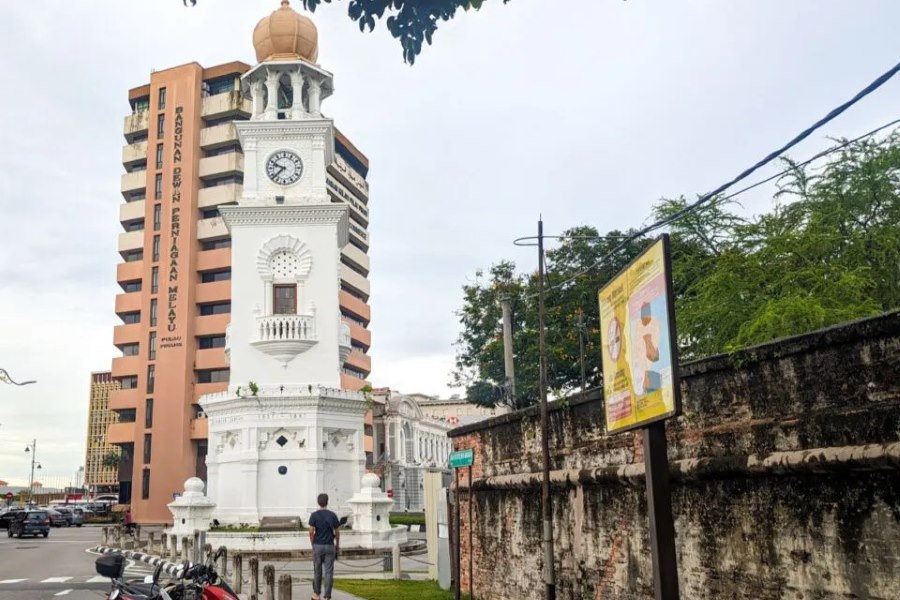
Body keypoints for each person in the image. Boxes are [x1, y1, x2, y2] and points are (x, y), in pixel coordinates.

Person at [308, 493, 340, 600]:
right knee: (329, 572)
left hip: (318, 545)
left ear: (318, 502)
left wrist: (313, 543)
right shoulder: (332, 515)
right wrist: (337, 545)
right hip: (329, 545)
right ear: (327, 502)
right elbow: (337, 532)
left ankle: (317, 594)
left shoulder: (314, 515)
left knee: (317, 571)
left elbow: (311, 531)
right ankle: (327, 596)